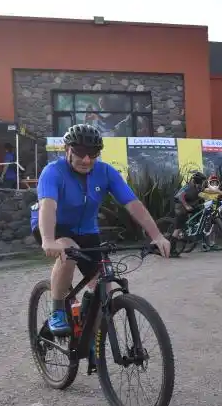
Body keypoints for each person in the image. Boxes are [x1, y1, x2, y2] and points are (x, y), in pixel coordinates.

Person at [32, 123, 171, 336]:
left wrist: (157, 236)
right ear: (66, 149)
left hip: (87, 230)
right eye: (80, 153)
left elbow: (133, 204)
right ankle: (57, 310)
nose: (87, 159)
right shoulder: (53, 172)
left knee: (104, 290)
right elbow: (48, 206)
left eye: (93, 153)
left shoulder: (105, 172)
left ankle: (90, 335)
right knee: (67, 251)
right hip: (53, 226)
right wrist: (48, 239)